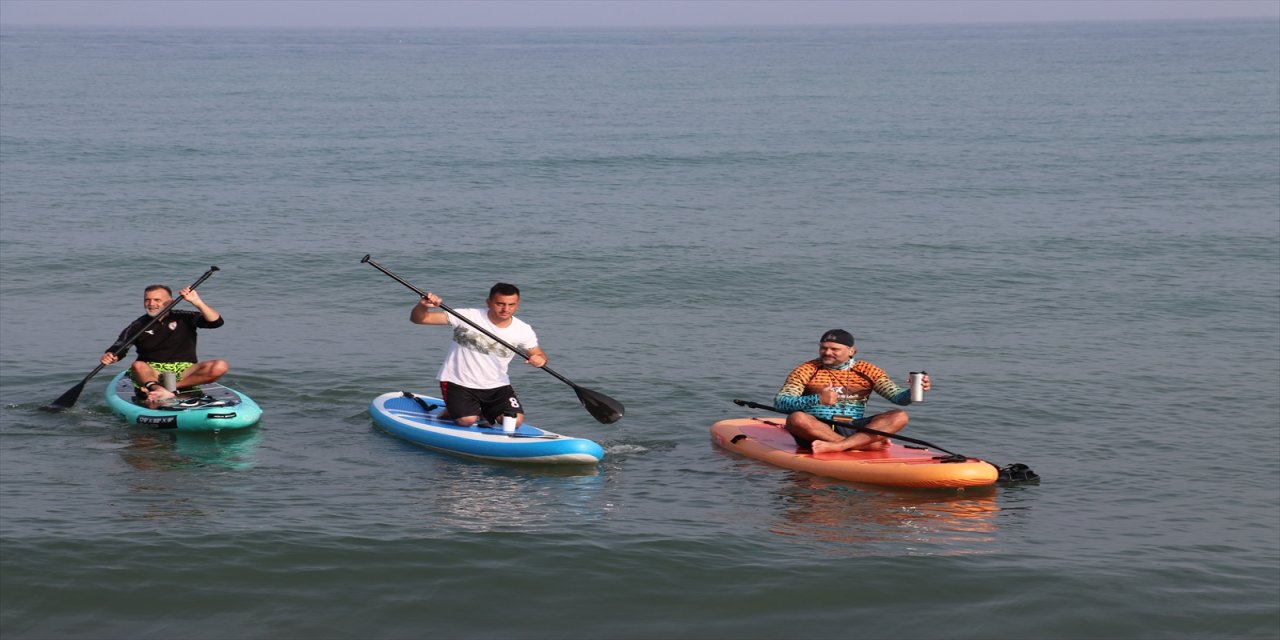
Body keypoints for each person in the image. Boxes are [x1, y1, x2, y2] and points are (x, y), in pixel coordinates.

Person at [410, 282, 548, 427]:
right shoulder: (466, 316)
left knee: (515, 421)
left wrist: (540, 360)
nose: (506, 309)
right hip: (458, 382)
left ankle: (482, 410)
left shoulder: (523, 329)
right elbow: (420, 319)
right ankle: (450, 411)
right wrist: (423, 306)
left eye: (511, 305)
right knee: (466, 421)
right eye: (500, 304)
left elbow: (539, 354)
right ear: (488, 302)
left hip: (497, 385)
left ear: (517, 304)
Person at [775, 329, 931, 453]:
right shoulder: (807, 370)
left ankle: (839, 446)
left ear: (851, 351)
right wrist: (816, 399)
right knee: (796, 418)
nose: (827, 352)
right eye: (823, 348)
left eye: (834, 349)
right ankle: (859, 446)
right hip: (816, 430)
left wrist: (913, 391)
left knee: (899, 416)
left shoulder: (868, 370)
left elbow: (898, 398)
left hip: (853, 427)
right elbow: (780, 403)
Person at [100, 284, 229, 408]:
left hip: (185, 370)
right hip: (152, 372)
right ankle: (157, 388)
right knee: (138, 365)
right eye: (147, 300)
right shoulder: (138, 325)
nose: (151, 304)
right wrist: (111, 356)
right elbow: (120, 346)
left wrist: (197, 302)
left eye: (157, 300)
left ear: (170, 302)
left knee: (220, 366)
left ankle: (170, 388)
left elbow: (216, 322)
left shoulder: (184, 317)